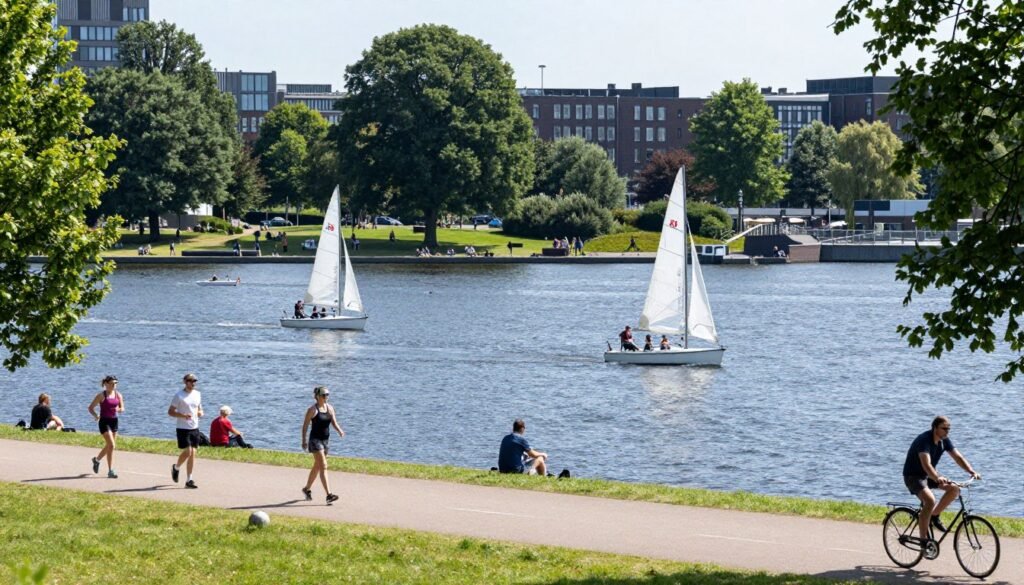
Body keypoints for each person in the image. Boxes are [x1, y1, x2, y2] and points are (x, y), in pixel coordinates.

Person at [903, 416, 981, 544]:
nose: (947, 431)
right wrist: (937, 478)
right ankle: (924, 541)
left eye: (948, 429)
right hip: (913, 476)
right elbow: (926, 464)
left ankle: (934, 516)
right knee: (929, 500)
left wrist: (971, 471)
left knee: (954, 489)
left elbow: (958, 457)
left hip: (928, 475)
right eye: (944, 428)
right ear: (935, 428)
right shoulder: (924, 440)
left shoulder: (944, 441)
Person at [301, 386, 345, 504]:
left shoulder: (330, 408)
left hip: (325, 441)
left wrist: (339, 430)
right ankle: (329, 495)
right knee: (324, 466)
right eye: (324, 395)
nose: (326, 397)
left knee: (317, 466)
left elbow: (334, 422)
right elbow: (305, 426)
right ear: (317, 397)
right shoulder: (312, 410)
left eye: (327, 395)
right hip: (315, 441)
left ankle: (306, 489)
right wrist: (304, 441)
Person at [168, 373, 203, 489]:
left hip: (195, 427)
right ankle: (176, 467)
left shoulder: (197, 394)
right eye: (190, 381)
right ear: (185, 382)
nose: (193, 383)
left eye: (194, 381)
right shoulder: (179, 395)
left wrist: (200, 412)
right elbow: (170, 412)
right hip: (183, 428)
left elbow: (198, 407)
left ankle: (189, 480)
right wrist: (183, 416)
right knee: (188, 451)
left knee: (193, 454)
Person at [88, 375, 124, 478]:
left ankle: (98, 461)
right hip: (104, 422)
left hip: (114, 421)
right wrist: (96, 415)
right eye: (112, 383)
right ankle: (110, 470)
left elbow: (122, 408)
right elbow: (90, 408)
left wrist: (119, 410)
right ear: (106, 384)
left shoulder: (118, 395)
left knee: (110, 446)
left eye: (116, 383)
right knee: (111, 445)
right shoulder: (101, 395)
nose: (114, 385)